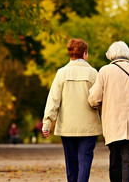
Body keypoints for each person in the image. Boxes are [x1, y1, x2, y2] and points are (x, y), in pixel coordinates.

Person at [88, 41, 129, 182]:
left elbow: (94, 99)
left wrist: (101, 104)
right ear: (127, 54)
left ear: (110, 54)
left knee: (115, 162)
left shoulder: (104, 71)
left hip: (113, 124)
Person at [42, 38, 102, 182]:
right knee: (85, 160)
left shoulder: (61, 73)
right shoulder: (94, 73)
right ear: (85, 54)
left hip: (67, 127)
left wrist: (47, 123)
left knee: (71, 163)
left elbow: (53, 100)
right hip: (89, 126)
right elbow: (100, 98)